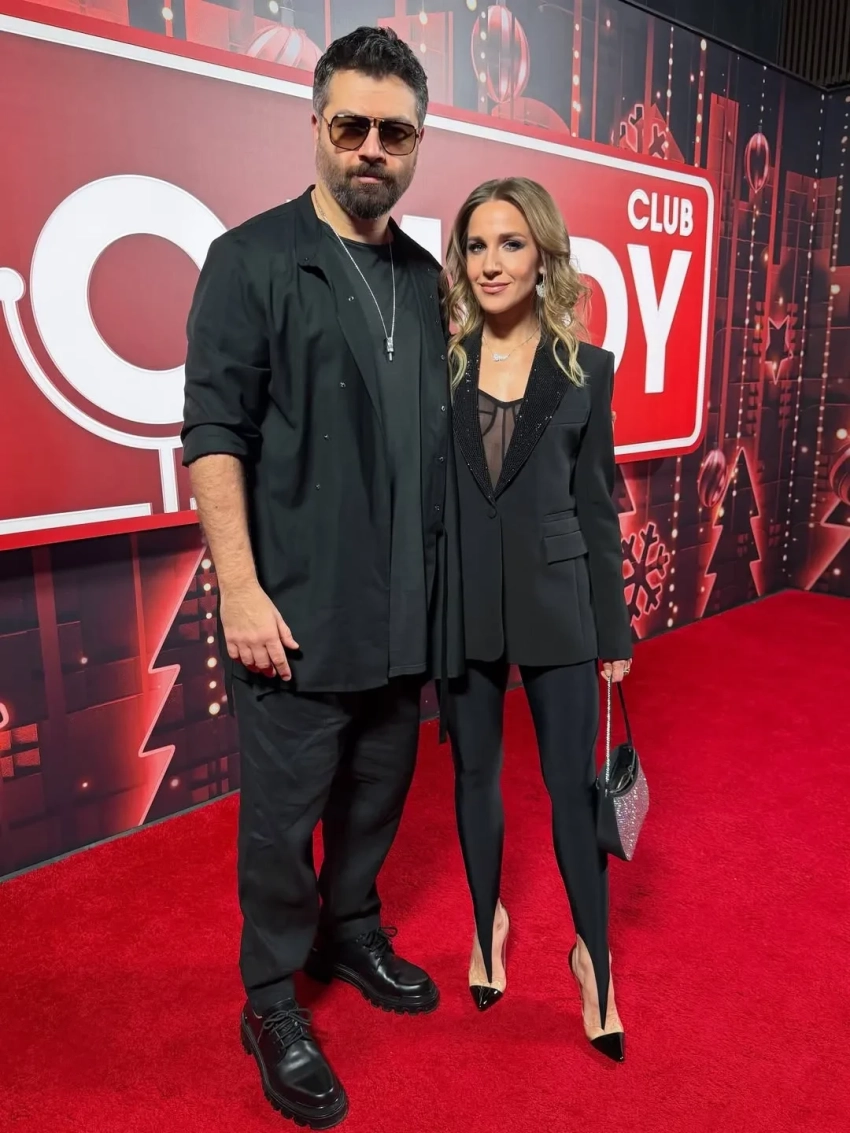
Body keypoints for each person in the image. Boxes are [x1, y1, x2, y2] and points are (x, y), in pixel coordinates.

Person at [182, 26, 463, 1129]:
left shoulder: (429, 280)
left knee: (377, 795)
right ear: (316, 126)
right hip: (293, 609)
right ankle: (269, 999)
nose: (371, 149)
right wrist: (240, 589)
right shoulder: (250, 260)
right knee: (281, 818)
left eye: (395, 132)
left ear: (418, 142)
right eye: (351, 126)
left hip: (404, 611)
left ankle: (349, 932)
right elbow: (213, 433)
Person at [441, 178, 633, 1062]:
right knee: (474, 776)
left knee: (571, 790)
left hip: (560, 607)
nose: (491, 263)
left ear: (543, 256)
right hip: (463, 605)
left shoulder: (586, 368)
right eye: (477, 246)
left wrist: (614, 632)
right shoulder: (443, 365)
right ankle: (487, 925)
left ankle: (595, 961)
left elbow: (596, 507)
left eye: (510, 244)